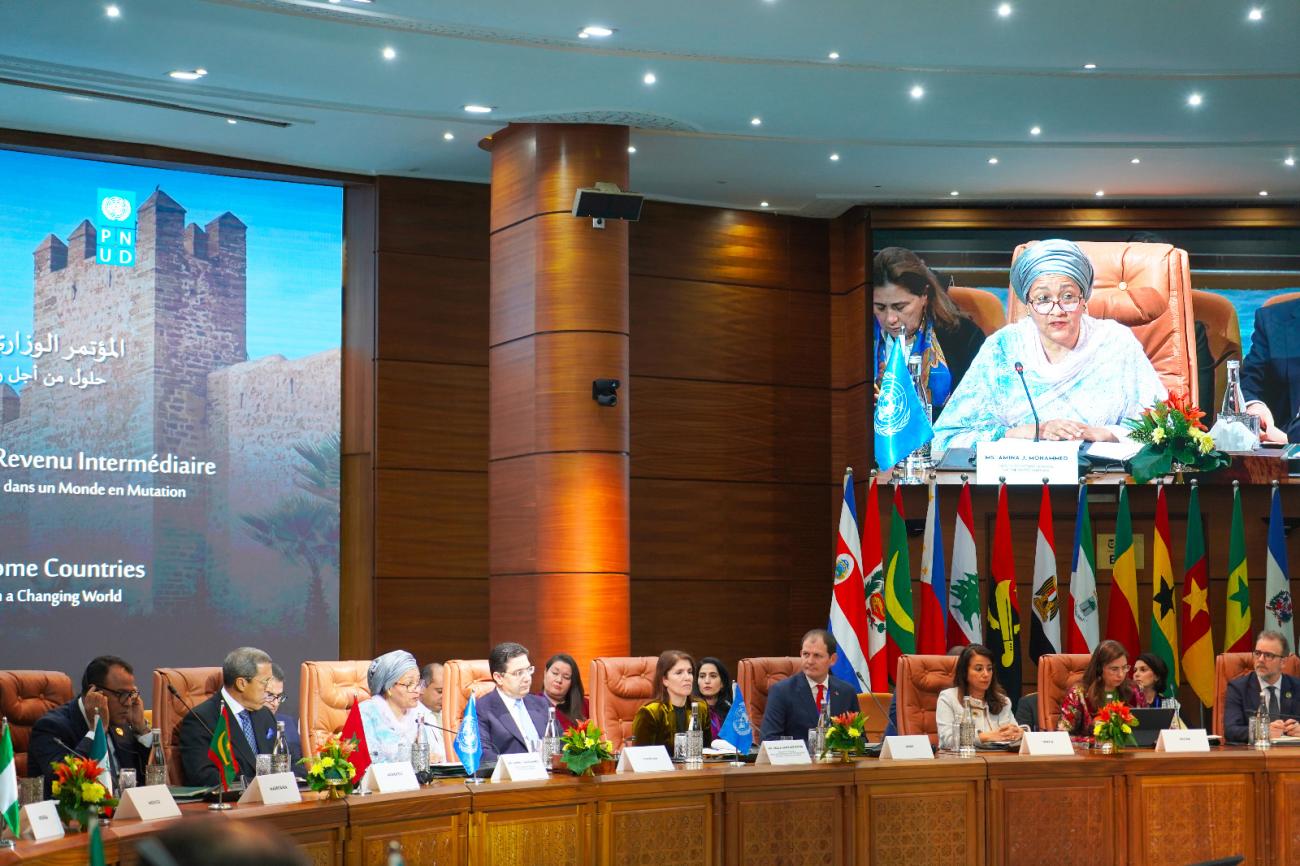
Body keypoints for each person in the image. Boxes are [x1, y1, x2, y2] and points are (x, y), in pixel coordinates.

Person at [932, 239, 1167, 453]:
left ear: (1083, 300)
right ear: (1029, 305)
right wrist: (1023, 432)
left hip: (1101, 482)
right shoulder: (1003, 347)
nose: (1057, 310)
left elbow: (1164, 428)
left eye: (1068, 297)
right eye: (1043, 299)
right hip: (1017, 485)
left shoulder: (1116, 342)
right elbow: (946, 438)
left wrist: (1103, 433)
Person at [873, 247, 986, 414]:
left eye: (900, 307)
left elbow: (978, 408)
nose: (890, 319)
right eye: (880, 307)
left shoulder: (964, 336)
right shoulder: (855, 336)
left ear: (924, 295)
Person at [27, 655, 153, 797]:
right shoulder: (51, 727)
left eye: (131, 694)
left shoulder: (120, 724)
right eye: (122, 694)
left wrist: (141, 729)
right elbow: (62, 780)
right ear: (94, 693)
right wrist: (95, 731)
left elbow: (148, 780)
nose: (128, 702)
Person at [180, 647, 278, 786]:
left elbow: (283, 760)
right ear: (241, 684)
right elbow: (203, 776)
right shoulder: (201, 720)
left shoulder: (264, 714)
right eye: (265, 682)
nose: (269, 688)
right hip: (231, 804)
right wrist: (256, 785)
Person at [758, 629, 858, 744]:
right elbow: (768, 740)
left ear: (832, 659)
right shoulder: (781, 692)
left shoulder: (846, 692)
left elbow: (859, 737)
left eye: (817, 656)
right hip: (797, 760)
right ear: (801, 654)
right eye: (806, 654)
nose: (810, 661)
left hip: (837, 760)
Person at [358, 650, 443, 764]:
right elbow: (369, 761)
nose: (417, 690)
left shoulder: (421, 713)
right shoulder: (366, 713)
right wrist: (415, 758)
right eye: (409, 684)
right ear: (389, 687)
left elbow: (436, 755)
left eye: (418, 683)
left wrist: (434, 758)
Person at [935, 644, 1024, 750]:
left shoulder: (1003, 701)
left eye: (989, 669)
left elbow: (1014, 733)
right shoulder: (948, 698)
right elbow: (948, 741)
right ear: (964, 672)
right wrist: (985, 737)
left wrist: (1020, 734)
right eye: (979, 669)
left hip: (1000, 760)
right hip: (963, 762)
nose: (986, 674)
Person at [477, 642, 551, 763]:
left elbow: (561, 745)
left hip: (550, 778)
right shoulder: (482, 709)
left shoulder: (542, 704)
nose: (527, 678)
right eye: (519, 673)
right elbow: (484, 755)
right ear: (498, 677)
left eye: (528, 670)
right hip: (511, 779)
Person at [1057, 640, 1147, 739]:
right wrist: (1095, 741)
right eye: (1114, 669)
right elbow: (1062, 736)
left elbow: (1146, 728)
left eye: (1124, 667)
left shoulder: (1134, 690)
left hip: (1129, 752)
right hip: (1090, 753)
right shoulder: (1078, 693)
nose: (1121, 674)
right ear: (1099, 669)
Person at [1223, 630, 1300, 743]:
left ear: (1283, 662)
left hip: (1291, 756)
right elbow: (1231, 731)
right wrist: (1262, 731)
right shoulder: (1238, 688)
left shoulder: (1297, 687)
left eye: (1268, 655)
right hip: (1254, 756)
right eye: (1258, 653)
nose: (1260, 659)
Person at [1242, 297, 1300, 443]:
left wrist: (1290, 439)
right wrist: (1254, 406)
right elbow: (1247, 382)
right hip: (1277, 447)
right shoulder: (1273, 320)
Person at [630, 650, 709, 749]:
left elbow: (706, 752)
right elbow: (640, 757)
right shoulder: (650, 712)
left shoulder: (700, 707)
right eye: (679, 673)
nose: (687, 677)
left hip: (695, 764)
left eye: (690, 672)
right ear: (665, 680)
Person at [265, 663, 304, 774]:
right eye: (269, 695)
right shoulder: (244, 725)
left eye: (279, 696)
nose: (276, 703)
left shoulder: (288, 723)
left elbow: (299, 765)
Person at [1132, 654, 1186, 730]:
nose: (1136, 674)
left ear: (1157, 676)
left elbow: (1188, 734)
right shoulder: (1126, 703)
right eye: (1135, 670)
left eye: (1143, 670)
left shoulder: (1171, 704)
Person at [539, 653, 587, 731]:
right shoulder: (531, 703)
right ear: (545, 672)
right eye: (555, 673)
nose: (559, 680)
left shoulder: (585, 705)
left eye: (566, 677)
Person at [693, 657, 733, 739]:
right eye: (702, 676)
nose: (707, 681)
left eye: (713, 676)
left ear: (722, 683)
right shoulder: (691, 710)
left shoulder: (730, 710)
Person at [419, 662, 444, 728]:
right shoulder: (411, 715)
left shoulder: (450, 716)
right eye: (440, 691)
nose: (445, 697)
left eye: (447, 692)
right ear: (422, 686)